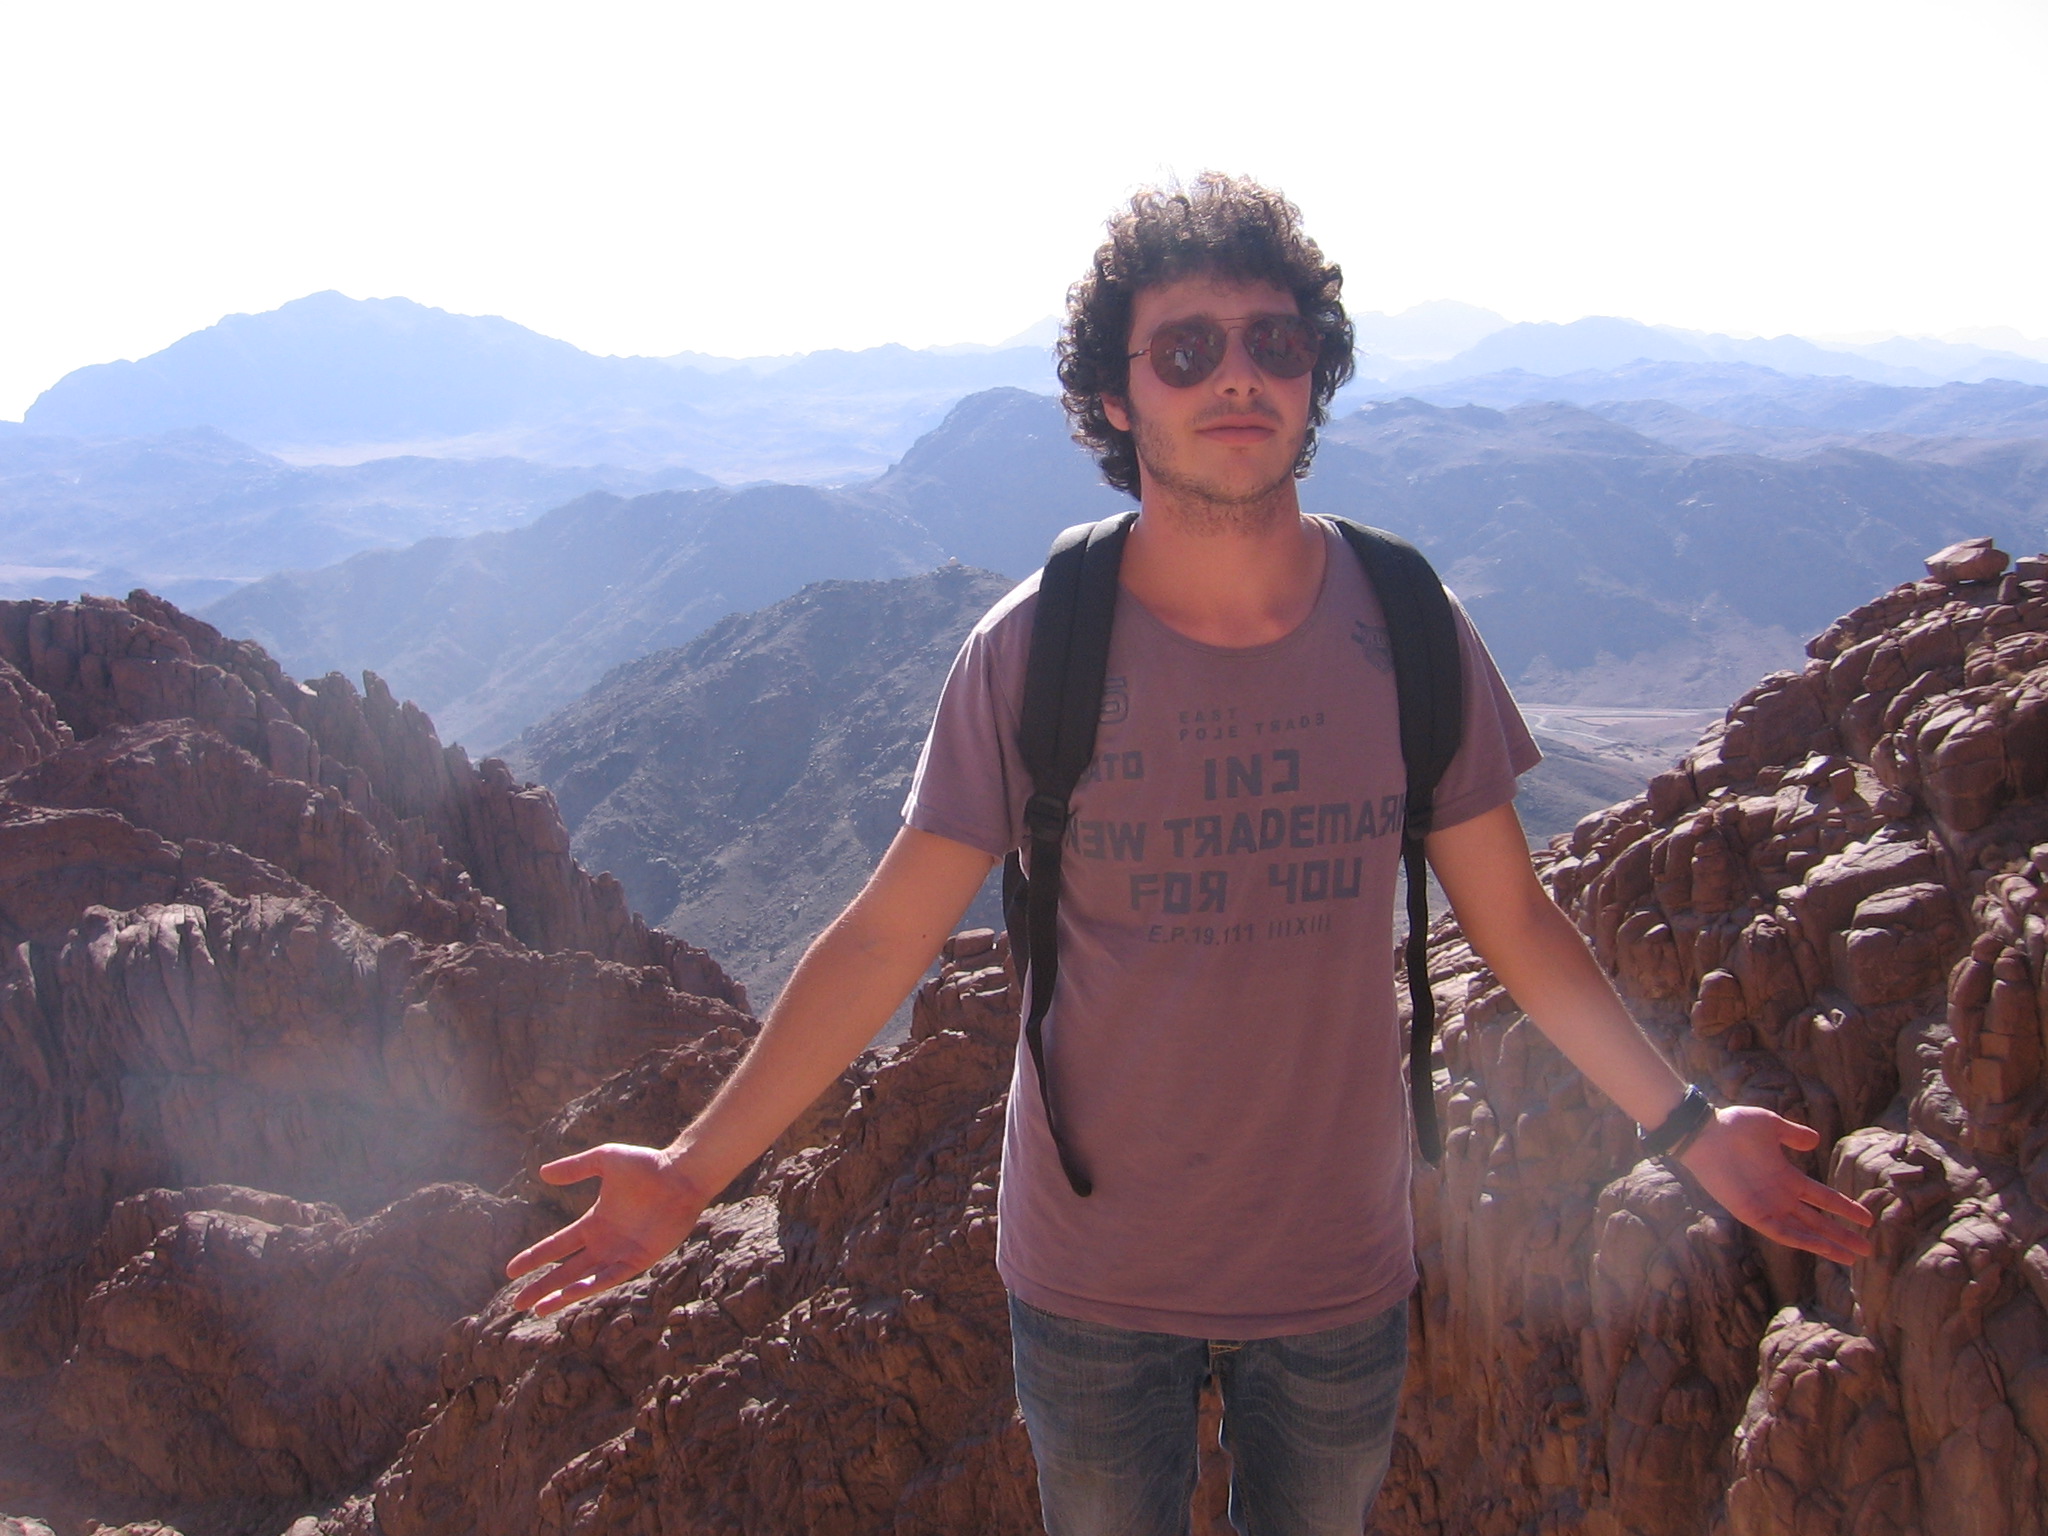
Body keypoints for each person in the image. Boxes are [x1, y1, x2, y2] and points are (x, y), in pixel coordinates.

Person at [506, 174, 1876, 1535]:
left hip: (1336, 1272)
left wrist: (1690, 1132)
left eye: (1275, 341)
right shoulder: (1033, 650)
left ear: (1314, 373)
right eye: (1185, 349)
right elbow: (883, 937)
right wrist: (691, 1171)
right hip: (1093, 1283)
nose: (1237, 377)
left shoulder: (1408, 626)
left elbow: (1515, 923)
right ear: (1116, 396)